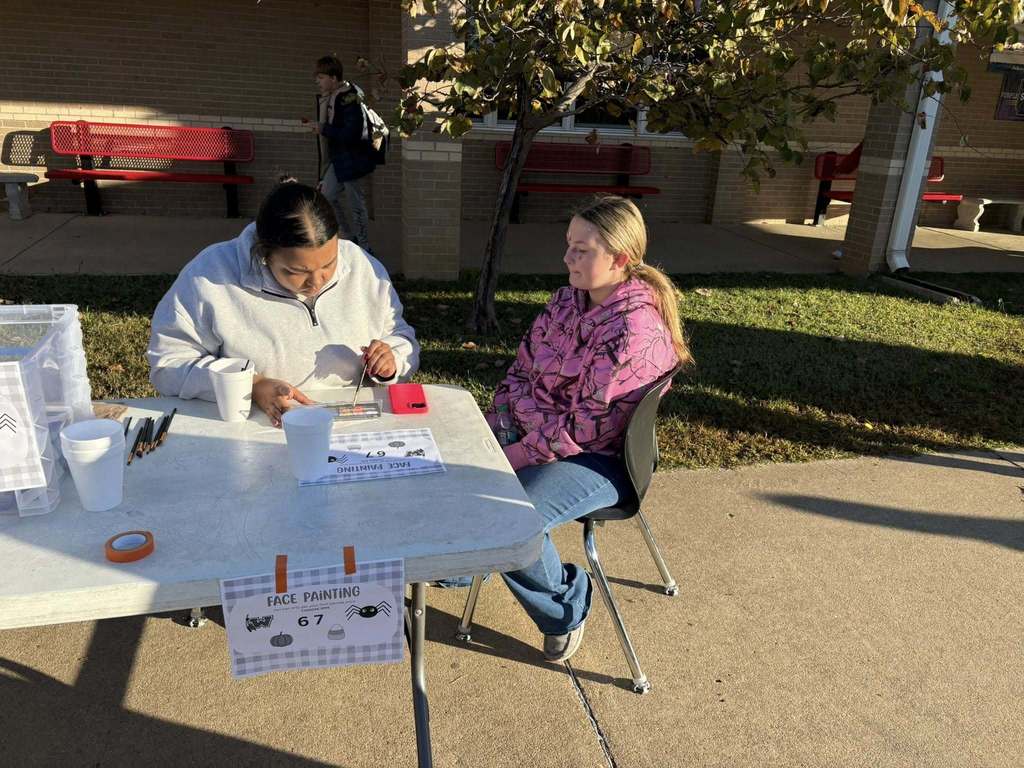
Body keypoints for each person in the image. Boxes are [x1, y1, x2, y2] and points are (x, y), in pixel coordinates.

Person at [486, 195, 692, 662]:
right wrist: (501, 422)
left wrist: (512, 451)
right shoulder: (565, 301)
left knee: (511, 517)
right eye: (568, 245)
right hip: (535, 435)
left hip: (598, 459)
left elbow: (583, 429)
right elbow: (519, 370)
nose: (566, 258)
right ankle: (467, 565)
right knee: (450, 462)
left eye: (580, 249)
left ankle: (565, 606)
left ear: (619, 259)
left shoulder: (634, 331)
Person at [147, 179, 418, 426]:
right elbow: (168, 364)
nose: (317, 281)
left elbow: (401, 337)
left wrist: (391, 359)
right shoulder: (210, 277)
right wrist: (252, 386)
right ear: (264, 254)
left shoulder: (363, 267)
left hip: (353, 422)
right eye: (295, 272)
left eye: (329, 264)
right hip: (254, 426)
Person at [311, 55, 376, 252]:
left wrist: (323, 129)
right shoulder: (334, 96)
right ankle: (349, 237)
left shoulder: (348, 98)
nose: (318, 81)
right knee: (326, 197)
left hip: (352, 160)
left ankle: (365, 247)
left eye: (321, 77)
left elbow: (351, 134)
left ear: (333, 77)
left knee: (357, 205)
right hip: (339, 159)